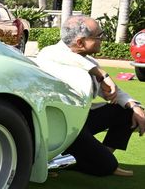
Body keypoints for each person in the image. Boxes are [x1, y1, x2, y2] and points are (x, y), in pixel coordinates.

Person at [35, 16, 144, 177]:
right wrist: (99, 72)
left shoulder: (89, 61)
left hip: (82, 120)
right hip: (61, 127)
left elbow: (116, 92)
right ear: (80, 42)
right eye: (99, 36)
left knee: (126, 111)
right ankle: (56, 162)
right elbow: (64, 57)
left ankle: (102, 156)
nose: (102, 39)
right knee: (106, 167)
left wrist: (134, 106)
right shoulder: (49, 54)